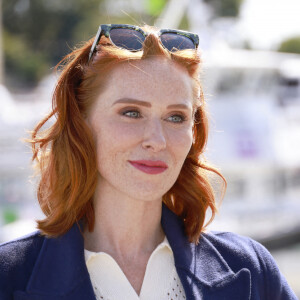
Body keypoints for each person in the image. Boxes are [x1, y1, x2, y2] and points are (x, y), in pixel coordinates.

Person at [0, 24, 297, 300]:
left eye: (175, 117)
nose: (157, 140)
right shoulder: (9, 277)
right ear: (82, 123)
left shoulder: (252, 272)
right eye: (131, 112)